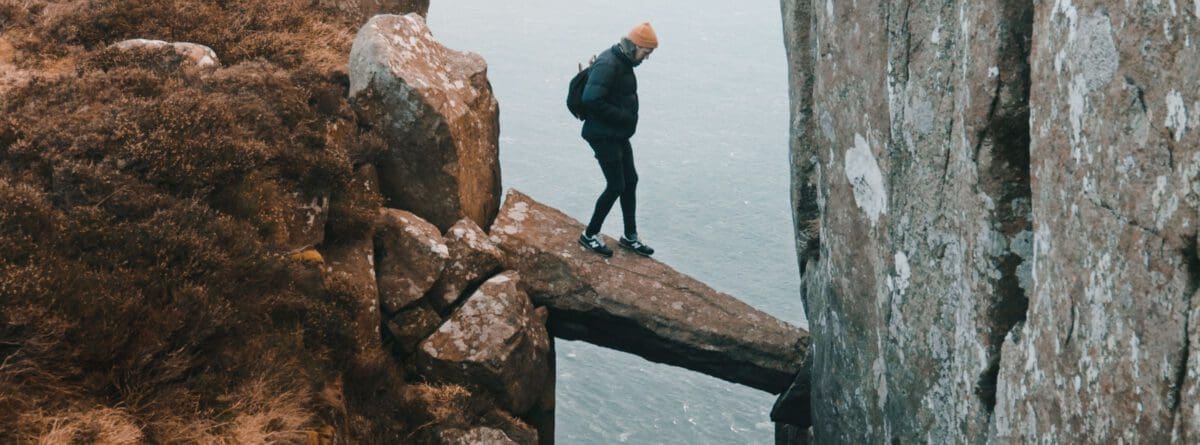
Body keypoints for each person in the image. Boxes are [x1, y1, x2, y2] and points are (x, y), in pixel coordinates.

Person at [576, 22, 658, 258]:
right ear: (635, 46)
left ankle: (630, 237)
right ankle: (589, 234)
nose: (647, 58)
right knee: (616, 185)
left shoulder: (622, 62)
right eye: (646, 52)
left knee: (630, 180)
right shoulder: (609, 64)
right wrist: (623, 117)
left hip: (616, 133)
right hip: (602, 135)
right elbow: (591, 99)